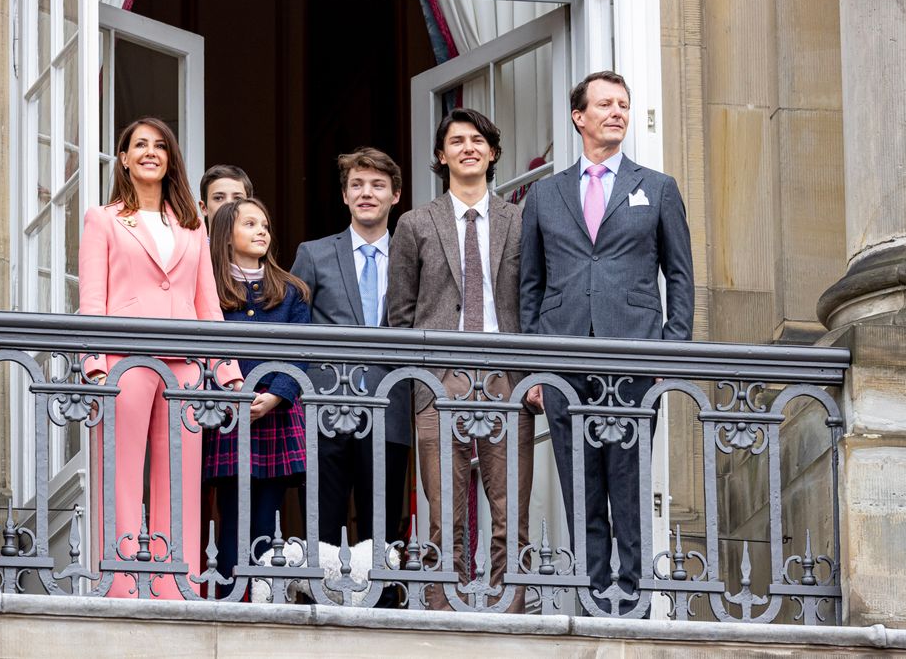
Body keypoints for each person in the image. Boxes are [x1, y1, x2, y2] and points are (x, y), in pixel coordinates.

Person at [520, 70, 694, 612]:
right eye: (605, 104)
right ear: (579, 117)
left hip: (634, 355)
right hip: (563, 356)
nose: (617, 112)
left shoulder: (658, 187)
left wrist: (673, 350)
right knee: (581, 484)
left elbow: (681, 276)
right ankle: (594, 598)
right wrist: (533, 368)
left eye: (623, 103)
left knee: (629, 479)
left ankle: (637, 598)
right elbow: (530, 284)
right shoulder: (545, 194)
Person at [78, 117, 242, 599]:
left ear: (170, 159)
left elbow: (207, 305)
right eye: (139, 145)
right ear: (124, 159)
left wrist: (226, 370)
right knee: (120, 473)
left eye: (159, 146)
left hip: (185, 365)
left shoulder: (191, 227)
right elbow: (92, 298)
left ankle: (179, 586)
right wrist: (93, 365)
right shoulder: (103, 219)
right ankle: (121, 585)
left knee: (182, 481)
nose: (150, 152)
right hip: (124, 361)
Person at [387, 109, 534, 612]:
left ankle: (507, 611)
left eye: (478, 140)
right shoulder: (414, 223)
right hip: (438, 376)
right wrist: (419, 384)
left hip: (504, 374)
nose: (468, 147)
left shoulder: (519, 219)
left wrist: (532, 376)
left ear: (492, 153)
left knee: (509, 507)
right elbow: (400, 314)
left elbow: (532, 304)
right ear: (441, 155)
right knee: (442, 510)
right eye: (456, 140)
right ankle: (442, 610)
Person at [290, 148, 413, 567]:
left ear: (395, 195)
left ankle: (382, 610)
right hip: (324, 408)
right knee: (321, 524)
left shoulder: (412, 255)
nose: (366, 194)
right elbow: (294, 329)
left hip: (390, 405)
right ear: (344, 196)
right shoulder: (314, 253)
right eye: (356, 185)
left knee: (383, 526)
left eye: (378, 185)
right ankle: (320, 607)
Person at [203, 197, 310, 597]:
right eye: (250, 224)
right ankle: (232, 596)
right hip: (230, 416)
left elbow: (301, 352)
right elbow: (206, 349)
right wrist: (230, 394)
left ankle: (264, 596)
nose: (262, 230)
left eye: (264, 224)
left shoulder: (291, 291)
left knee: (269, 515)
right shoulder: (211, 289)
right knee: (230, 513)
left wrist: (277, 395)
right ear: (226, 235)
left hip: (277, 416)